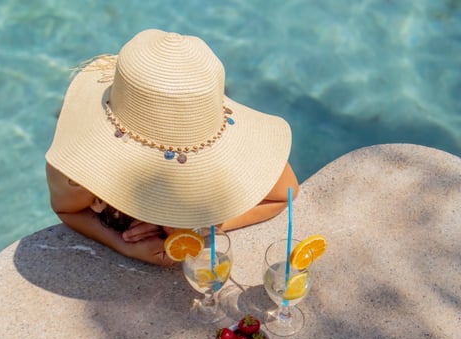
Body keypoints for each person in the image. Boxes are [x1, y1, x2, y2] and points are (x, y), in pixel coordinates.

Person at [45, 29, 298, 266]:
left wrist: (199, 228)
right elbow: (66, 208)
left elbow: (285, 192)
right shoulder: (81, 168)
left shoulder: (209, 135)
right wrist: (123, 247)